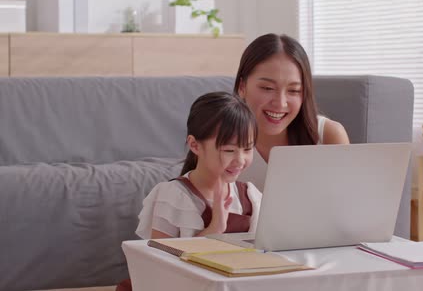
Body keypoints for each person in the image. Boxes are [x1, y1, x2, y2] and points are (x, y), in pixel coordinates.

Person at [135, 91, 262, 239]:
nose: (240, 160)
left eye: (248, 149)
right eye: (229, 150)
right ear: (194, 145)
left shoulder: (250, 196)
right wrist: (216, 228)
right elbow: (159, 259)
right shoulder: (172, 196)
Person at [234, 33, 349, 189]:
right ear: (242, 87)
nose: (280, 103)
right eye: (267, 88)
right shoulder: (220, 137)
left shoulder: (328, 135)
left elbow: (347, 205)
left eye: (294, 91)